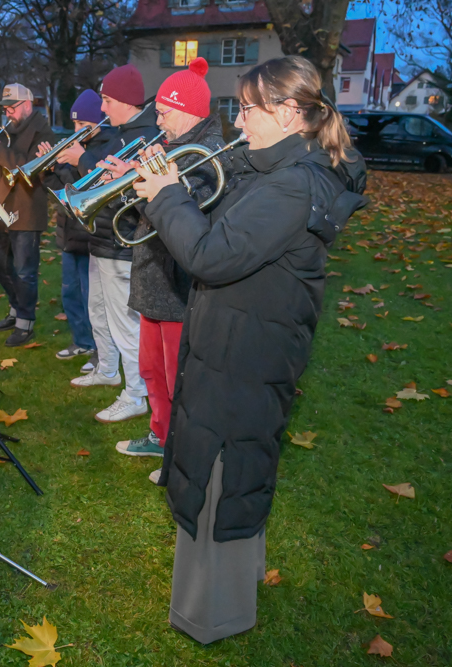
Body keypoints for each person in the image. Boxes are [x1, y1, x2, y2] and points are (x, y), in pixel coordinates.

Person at [131, 56, 368, 645]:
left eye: (247, 108)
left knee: (223, 467)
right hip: (242, 338)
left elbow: (213, 256)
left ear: (290, 114)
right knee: (229, 463)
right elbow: (226, 225)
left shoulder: (293, 183)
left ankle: (213, 613)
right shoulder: (275, 167)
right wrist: (170, 183)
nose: (238, 120)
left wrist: (165, 198)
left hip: (248, 349)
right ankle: (234, 587)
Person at [113, 58, 226, 470]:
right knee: (153, 370)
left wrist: (150, 184)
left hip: (177, 283)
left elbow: (188, 213)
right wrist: (131, 176)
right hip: (152, 278)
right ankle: (161, 435)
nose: (157, 118)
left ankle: (183, 451)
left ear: (186, 110)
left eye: (163, 111)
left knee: (179, 376)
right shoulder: (173, 146)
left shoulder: (204, 153)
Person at [69, 64, 157, 424]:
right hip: (100, 239)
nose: (102, 109)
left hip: (121, 245)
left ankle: (136, 393)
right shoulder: (122, 133)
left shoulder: (144, 135)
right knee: (99, 313)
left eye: (106, 100)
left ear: (125, 101)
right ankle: (107, 370)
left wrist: (83, 160)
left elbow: (130, 194)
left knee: (126, 325)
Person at [36, 89, 114, 373]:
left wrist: (72, 162)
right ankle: (81, 340)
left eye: (83, 125)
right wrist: (49, 168)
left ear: (99, 122)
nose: (78, 131)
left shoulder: (104, 147)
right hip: (69, 233)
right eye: (75, 125)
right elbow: (61, 190)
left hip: (90, 233)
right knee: (70, 293)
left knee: (92, 297)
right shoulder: (76, 149)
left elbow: (88, 188)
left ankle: (100, 348)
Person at [0, 83, 56, 347]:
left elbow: (30, 169)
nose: (7, 113)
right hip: (0, 208)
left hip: (27, 209)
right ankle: (14, 307)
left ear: (27, 105)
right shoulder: (6, 132)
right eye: (5, 108)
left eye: (12, 107)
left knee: (24, 271)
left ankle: (25, 321)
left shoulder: (44, 133)